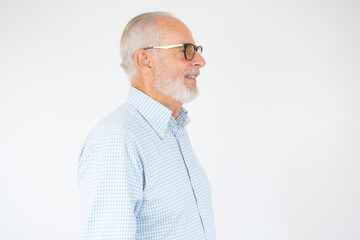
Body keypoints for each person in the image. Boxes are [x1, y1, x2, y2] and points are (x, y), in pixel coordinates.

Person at [77, 11, 216, 239]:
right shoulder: (116, 140)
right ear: (145, 61)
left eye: (196, 51)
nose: (200, 61)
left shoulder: (175, 130)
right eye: (186, 51)